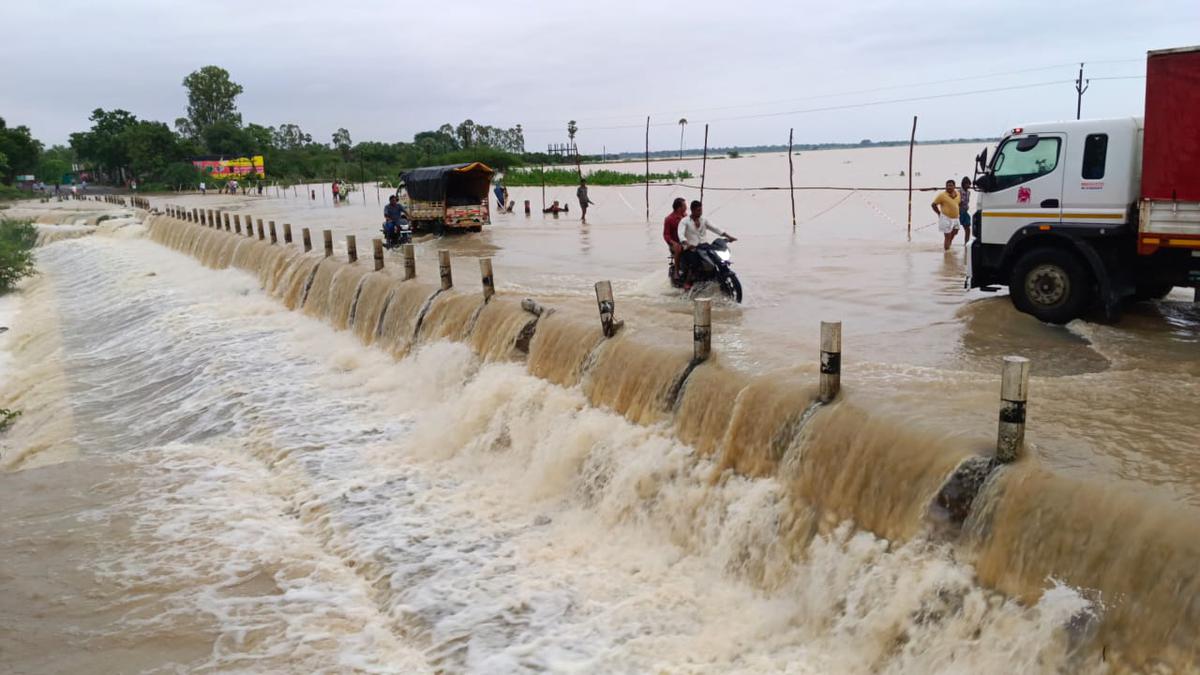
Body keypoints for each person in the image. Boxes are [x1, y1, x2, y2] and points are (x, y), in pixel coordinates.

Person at [680, 200, 737, 287]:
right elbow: (680, 233)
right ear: (692, 210)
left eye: (701, 210)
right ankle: (687, 283)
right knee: (694, 264)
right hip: (691, 248)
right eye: (698, 210)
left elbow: (715, 228)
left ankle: (714, 276)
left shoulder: (704, 220)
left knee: (717, 258)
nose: (700, 212)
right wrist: (686, 243)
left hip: (704, 247)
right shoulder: (685, 221)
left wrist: (728, 236)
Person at [931, 179, 961, 251]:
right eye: (947, 186)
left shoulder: (958, 194)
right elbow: (933, 205)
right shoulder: (942, 195)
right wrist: (938, 213)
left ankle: (949, 244)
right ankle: (947, 253)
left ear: (954, 186)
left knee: (956, 231)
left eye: (951, 186)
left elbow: (958, 203)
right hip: (945, 218)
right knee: (947, 236)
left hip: (956, 218)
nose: (949, 187)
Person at [663, 197, 687, 280]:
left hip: (685, 241)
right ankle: (676, 271)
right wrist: (673, 243)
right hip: (675, 243)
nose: (686, 207)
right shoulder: (669, 219)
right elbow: (666, 235)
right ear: (679, 208)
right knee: (678, 248)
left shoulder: (685, 216)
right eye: (684, 206)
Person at [959, 176, 972, 244]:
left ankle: (966, 243)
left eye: (969, 184)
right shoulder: (958, 192)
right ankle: (948, 243)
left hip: (965, 212)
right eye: (966, 184)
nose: (968, 185)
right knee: (954, 230)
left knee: (967, 228)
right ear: (963, 184)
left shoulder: (969, 192)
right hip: (958, 212)